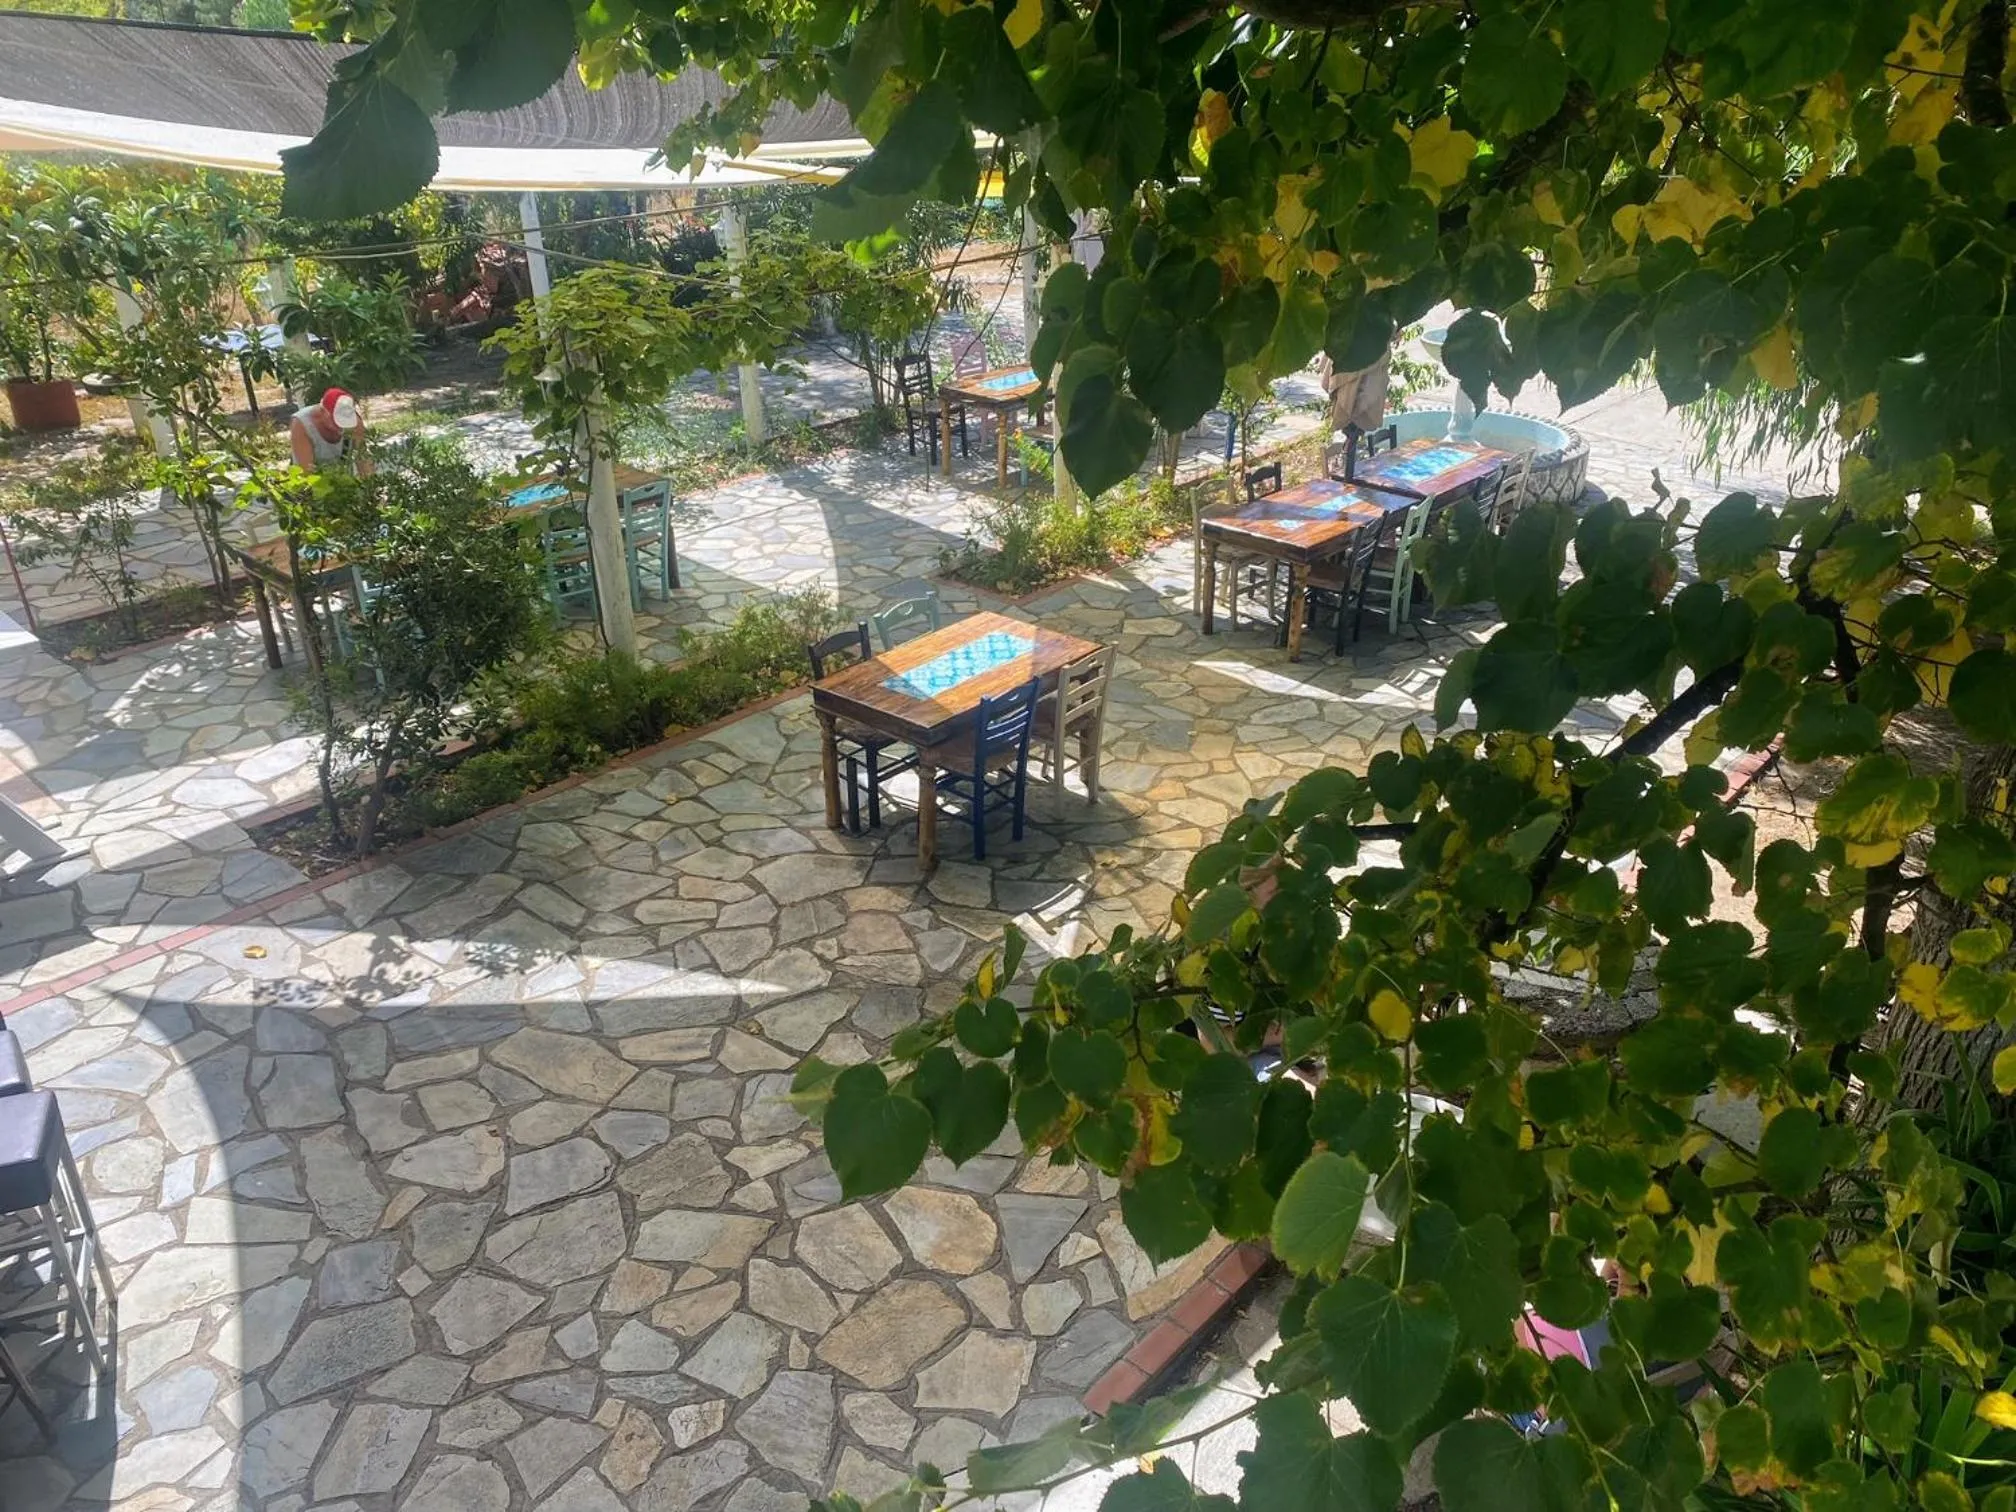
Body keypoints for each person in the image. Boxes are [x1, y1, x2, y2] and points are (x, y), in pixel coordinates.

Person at [290, 387, 371, 475]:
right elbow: (306, 472)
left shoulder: (355, 422)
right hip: (315, 482)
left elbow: (363, 459)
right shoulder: (301, 424)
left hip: (344, 480)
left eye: (345, 423)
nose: (340, 428)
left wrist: (370, 484)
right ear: (323, 412)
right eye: (336, 422)